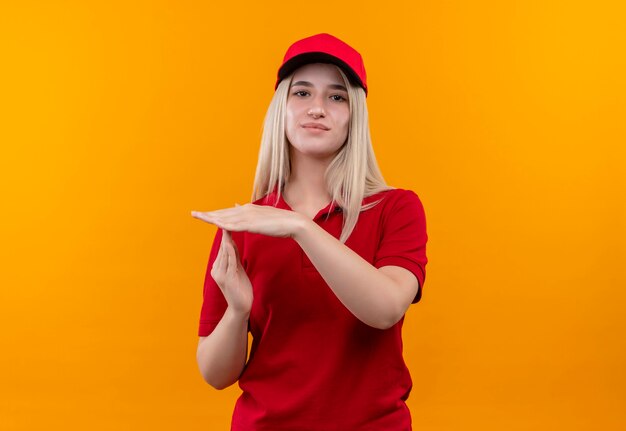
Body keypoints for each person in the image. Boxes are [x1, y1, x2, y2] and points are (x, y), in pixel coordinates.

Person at [191, 33, 428, 431]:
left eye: (336, 97)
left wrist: (300, 226)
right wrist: (238, 311)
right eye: (302, 93)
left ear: (355, 115)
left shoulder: (396, 208)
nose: (317, 108)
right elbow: (215, 374)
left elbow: (386, 309)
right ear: (280, 108)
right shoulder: (246, 224)